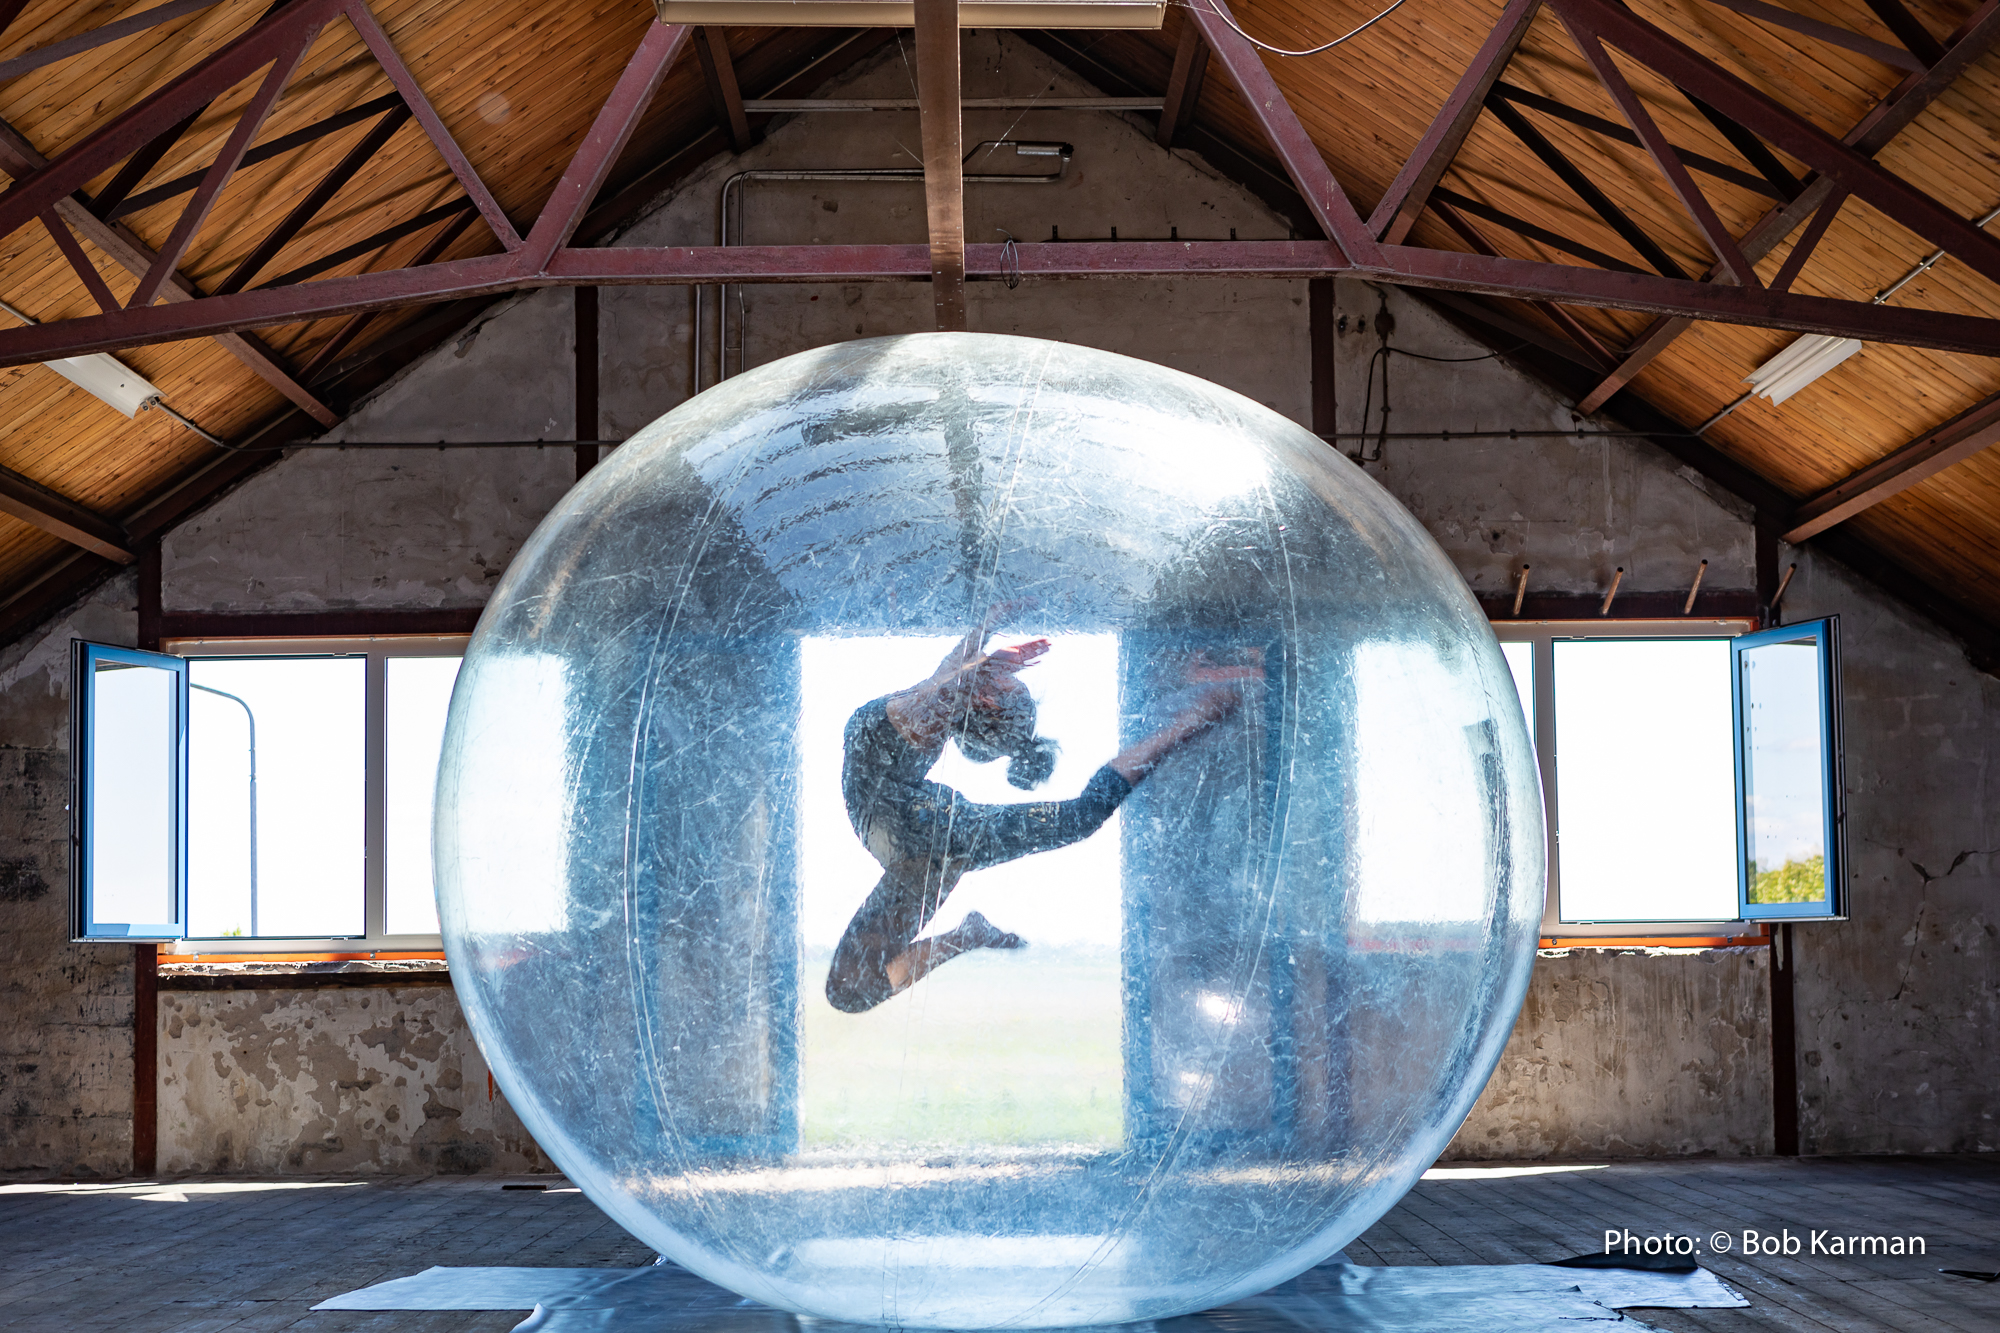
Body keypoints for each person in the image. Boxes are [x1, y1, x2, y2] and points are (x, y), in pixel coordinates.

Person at [826, 604, 1259, 1014]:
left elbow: (943, 683)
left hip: (908, 825)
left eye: (1007, 685)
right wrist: (988, 626)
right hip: (911, 831)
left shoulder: (903, 732)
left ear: (989, 703)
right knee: (849, 991)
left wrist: (988, 629)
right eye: (1008, 682)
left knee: (849, 991)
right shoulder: (915, 732)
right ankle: (968, 935)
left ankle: (968, 935)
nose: (1011, 678)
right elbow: (944, 683)